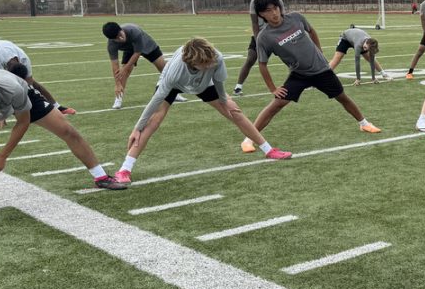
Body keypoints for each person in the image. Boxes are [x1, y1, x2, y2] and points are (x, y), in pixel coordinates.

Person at [0, 66, 125, 224]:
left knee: (68, 131)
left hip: (22, 100)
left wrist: (3, 154)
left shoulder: (9, 87)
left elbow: (22, 122)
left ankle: (101, 176)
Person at [113, 38, 291, 185]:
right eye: (203, 64)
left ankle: (269, 150)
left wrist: (225, 101)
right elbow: (157, 99)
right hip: (175, 85)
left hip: (204, 84)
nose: (208, 65)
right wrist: (138, 127)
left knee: (234, 111)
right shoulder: (174, 71)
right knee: (154, 120)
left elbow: (219, 84)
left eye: (210, 63)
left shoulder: (216, 58)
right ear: (191, 61)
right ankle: (124, 169)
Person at [245, 0, 381, 146]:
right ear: (261, 14)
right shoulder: (264, 37)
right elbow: (262, 64)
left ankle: (364, 123)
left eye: (276, 8)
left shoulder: (296, 18)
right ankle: (249, 138)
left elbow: (312, 31)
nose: (274, 13)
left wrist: (319, 51)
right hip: (299, 75)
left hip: (321, 69)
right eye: (269, 10)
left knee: (342, 97)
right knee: (276, 105)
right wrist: (272, 88)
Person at [102, 21, 169, 109]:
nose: (121, 38)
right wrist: (117, 84)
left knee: (164, 69)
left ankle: (172, 92)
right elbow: (115, 65)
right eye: (117, 38)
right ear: (112, 39)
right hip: (129, 50)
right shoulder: (112, 44)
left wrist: (125, 68)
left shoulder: (134, 31)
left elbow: (137, 52)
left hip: (147, 45)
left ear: (121, 29)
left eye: (120, 34)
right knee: (123, 74)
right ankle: (118, 98)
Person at [232, 0, 282, 95]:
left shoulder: (278, 1)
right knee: (250, 59)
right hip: (260, 36)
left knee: (292, 56)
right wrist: (258, 39)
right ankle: (238, 87)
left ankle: (308, 80)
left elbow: (282, 18)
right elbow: (254, 23)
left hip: (276, 35)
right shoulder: (254, 2)